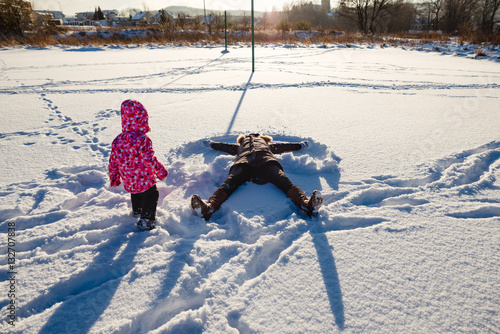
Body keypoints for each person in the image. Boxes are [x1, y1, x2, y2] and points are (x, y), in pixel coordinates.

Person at [191, 133, 323, 221]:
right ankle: (208, 208)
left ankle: (307, 205)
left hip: (266, 162)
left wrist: (300, 146)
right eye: (249, 136)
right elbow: (225, 147)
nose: (252, 136)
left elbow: (284, 147)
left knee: (285, 182)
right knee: (228, 184)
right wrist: (211, 144)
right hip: (243, 164)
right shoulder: (239, 148)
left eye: (256, 136)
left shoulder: (268, 146)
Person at [108, 100, 168, 230]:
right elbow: (148, 159)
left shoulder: (118, 140)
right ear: (142, 120)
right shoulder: (142, 139)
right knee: (151, 194)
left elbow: (113, 160)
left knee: (136, 193)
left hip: (129, 180)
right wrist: (160, 171)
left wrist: (114, 177)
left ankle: (137, 212)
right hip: (144, 178)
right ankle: (146, 219)